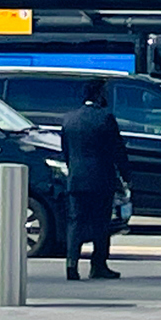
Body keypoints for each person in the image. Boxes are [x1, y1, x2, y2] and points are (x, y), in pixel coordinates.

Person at [60, 80, 131, 280]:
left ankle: (71, 264)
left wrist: (73, 169)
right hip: (101, 178)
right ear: (99, 94)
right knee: (101, 222)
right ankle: (98, 264)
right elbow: (118, 150)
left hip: (76, 178)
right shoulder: (105, 118)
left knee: (76, 221)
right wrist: (126, 176)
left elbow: (66, 151)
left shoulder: (69, 119)